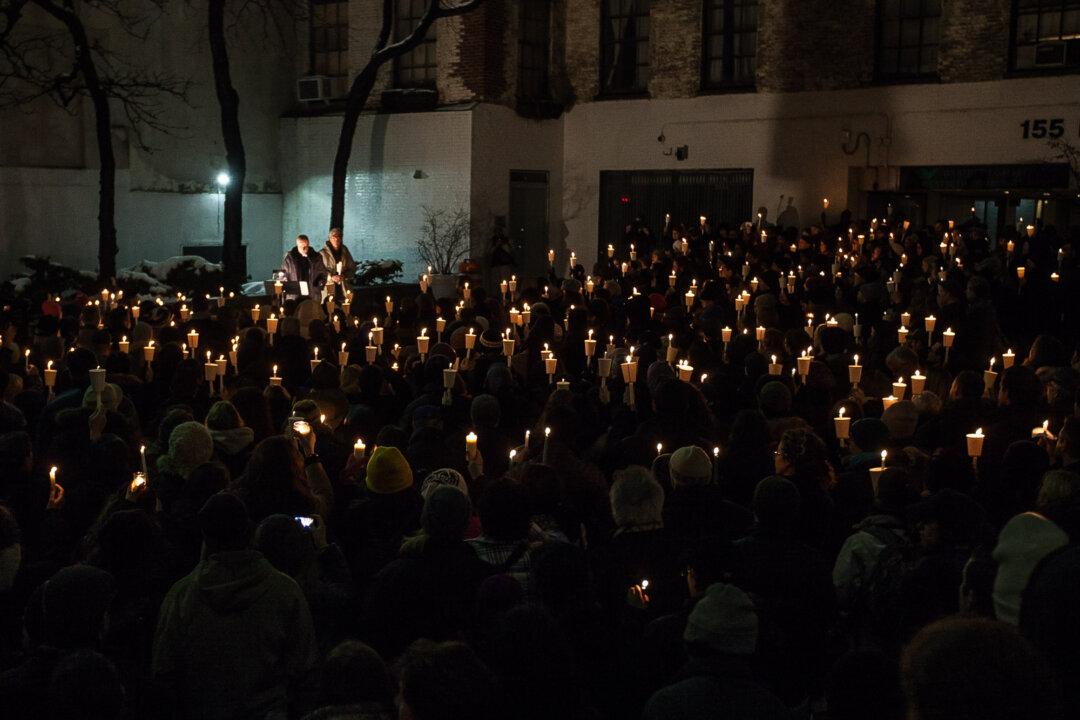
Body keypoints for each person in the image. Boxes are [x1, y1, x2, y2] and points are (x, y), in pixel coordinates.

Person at [152, 493, 317, 720]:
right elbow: (303, 665)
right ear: (249, 532)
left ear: (206, 538)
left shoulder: (182, 595)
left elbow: (164, 667)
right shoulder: (285, 590)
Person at [281, 235, 327, 300]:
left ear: (308, 245)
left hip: (312, 294)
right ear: (297, 245)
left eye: (305, 247)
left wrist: (319, 283)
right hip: (294, 296)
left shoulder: (316, 258)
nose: (303, 249)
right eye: (300, 247)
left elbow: (323, 274)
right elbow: (283, 276)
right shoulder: (289, 259)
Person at [319, 228, 357, 303]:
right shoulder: (322, 253)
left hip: (344, 290)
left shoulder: (344, 251)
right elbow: (318, 272)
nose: (337, 238)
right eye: (334, 236)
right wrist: (331, 277)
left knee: (346, 311)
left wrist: (344, 275)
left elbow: (352, 268)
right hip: (329, 290)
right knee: (330, 311)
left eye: (339, 236)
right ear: (329, 238)